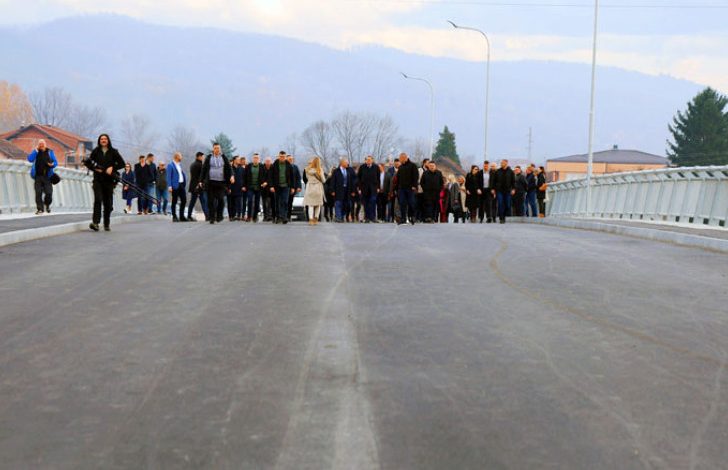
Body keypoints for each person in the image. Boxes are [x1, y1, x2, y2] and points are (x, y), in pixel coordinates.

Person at [84, 134, 125, 231]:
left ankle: (106, 223)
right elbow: (88, 163)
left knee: (108, 204)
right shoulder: (95, 151)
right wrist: (95, 169)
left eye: (105, 139)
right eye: (101, 139)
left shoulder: (114, 152)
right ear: (99, 141)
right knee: (98, 200)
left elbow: (122, 164)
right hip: (98, 180)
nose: (103, 140)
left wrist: (112, 167)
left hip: (109, 181)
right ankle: (95, 223)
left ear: (108, 140)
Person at [201, 143, 233, 224]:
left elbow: (229, 168)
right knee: (211, 201)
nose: (217, 150)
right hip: (211, 182)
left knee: (221, 200)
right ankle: (212, 218)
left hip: (221, 183)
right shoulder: (209, 157)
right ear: (213, 149)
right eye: (215, 148)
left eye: (218, 148)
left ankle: (219, 216)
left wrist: (232, 176)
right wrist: (201, 181)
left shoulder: (223, 157)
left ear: (220, 149)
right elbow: (204, 169)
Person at [27, 139, 58, 214]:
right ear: (38, 145)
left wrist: (52, 164)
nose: (41, 145)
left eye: (42, 144)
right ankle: (40, 209)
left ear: (45, 145)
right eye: (40, 144)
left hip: (47, 176)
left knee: (49, 193)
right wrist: (35, 150)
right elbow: (30, 159)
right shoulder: (36, 152)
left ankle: (47, 204)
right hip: (38, 176)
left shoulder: (50, 152)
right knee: (38, 193)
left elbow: (55, 162)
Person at [270, 150, 295, 224]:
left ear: (285, 157)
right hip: (277, 186)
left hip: (286, 186)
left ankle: (284, 217)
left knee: (285, 201)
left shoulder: (289, 165)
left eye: (283, 157)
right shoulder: (274, 165)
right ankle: (278, 217)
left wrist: (292, 187)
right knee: (277, 202)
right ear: (278, 156)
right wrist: (271, 186)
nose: (282, 158)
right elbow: (271, 176)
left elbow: (292, 177)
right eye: (281, 156)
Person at [330, 158, 357, 223]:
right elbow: (333, 181)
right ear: (342, 163)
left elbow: (352, 182)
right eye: (346, 163)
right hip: (338, 190)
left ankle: (342, 216)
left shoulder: (348, 171)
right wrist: (332, 190)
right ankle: (338, 217)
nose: (347, 164)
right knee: (338, 203)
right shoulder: (336, 171)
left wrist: (353, 191)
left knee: (346, 205)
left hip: (347, 191)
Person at [395, 152, 419, 225]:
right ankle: (403, 218)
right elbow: (398, 178)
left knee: (411, 203)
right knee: (402, 203)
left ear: (405, 158)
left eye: (400, 159)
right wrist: (397, 188)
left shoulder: (413, 165)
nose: (400, 160)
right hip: (401, 189)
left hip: (410, 188)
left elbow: (416, 176)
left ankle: (412, 216)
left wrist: (414, 185)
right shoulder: (400, 167)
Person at [491, 159, 516, 224]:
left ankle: (504, 215)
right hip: (499, 190)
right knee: (500, 203)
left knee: (507, 205)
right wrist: (493, 189)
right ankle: (501, 218)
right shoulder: (498, 171)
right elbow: (494, 181)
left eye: (503, 163)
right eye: (501, 163)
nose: (501, 164)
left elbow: (513, 181)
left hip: (508, 191)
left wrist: (513, 189)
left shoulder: (511, 172)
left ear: (506, 163)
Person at [303, 156, 326, 225]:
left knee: (310, 205)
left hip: (310, 187)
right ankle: (316, 218)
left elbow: (306, 178)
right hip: (318, 188)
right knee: (318, 204)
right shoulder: (320, 170)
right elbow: (323, 180)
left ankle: (310, 219)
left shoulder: (307, 170)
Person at [357, 155, 381, 223]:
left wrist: (378, 187)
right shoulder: (362, 167)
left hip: (373, 188)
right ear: (365, 161)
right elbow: (359, 178)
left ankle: (373, 218)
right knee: (366, 204)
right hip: (364, 189)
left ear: (372, 160)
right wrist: (359, 188)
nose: (368, 161)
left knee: (373, 202)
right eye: (367, 160)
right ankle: (367, 218)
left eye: (370, 160)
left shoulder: (376, 167)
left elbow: (378, 178)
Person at [167, 152, 188, 222]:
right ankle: (174, 216)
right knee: (174, 201)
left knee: (184, 200)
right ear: (177, 157)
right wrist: (169, 186)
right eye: (180, 156)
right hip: (175, 185)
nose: (181, 157)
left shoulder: (179, 165)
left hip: (181, 185)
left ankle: (182, 216)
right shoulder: (170, 165)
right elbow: (168, 176)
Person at [187, 151, 207, 221]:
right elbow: (201, 177)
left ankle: (189, 215)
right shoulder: (200, 165)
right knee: (203, 202)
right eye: (202, 157)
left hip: (193, 186)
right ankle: (207, 216)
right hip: (198, 186)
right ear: (199, 157)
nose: (203, 158)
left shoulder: (192, 164)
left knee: (192, 202)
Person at [286, 155, 302, 222]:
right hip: (285, 187)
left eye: (291, 159)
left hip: (292, 188)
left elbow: (298, 178)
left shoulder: (295, 167)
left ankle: (288, 216)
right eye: (289, 159)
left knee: (290, 202)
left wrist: (299, 186)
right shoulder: (285, 166)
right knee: (284, 202)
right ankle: (283, 215)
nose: (290, 160)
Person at [229, 156, 246, 221]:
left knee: (239, 202)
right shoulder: (230, 168)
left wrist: (244, 186)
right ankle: (232, 216)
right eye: (238, 159)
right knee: (232, 203)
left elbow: (244, 178)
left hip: (240, 188)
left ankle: (239, 215)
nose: (239, 160)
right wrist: (228, 188)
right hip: (231, 188)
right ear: (234, 160)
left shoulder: (242, 169)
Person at [260, 157, 274, 221]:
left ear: (271, 162)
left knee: (271, 203)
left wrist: (267, 182)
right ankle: (265, 216)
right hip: (264, 188)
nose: (268, 162)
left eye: (269, 161)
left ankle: (270, 216)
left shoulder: (273, 168)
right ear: (265, 162)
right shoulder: (262, 167)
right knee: (264, 203)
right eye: (267, 161)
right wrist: (263, 182)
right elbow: (260, 176)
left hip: (271, 188)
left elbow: (272, 177)